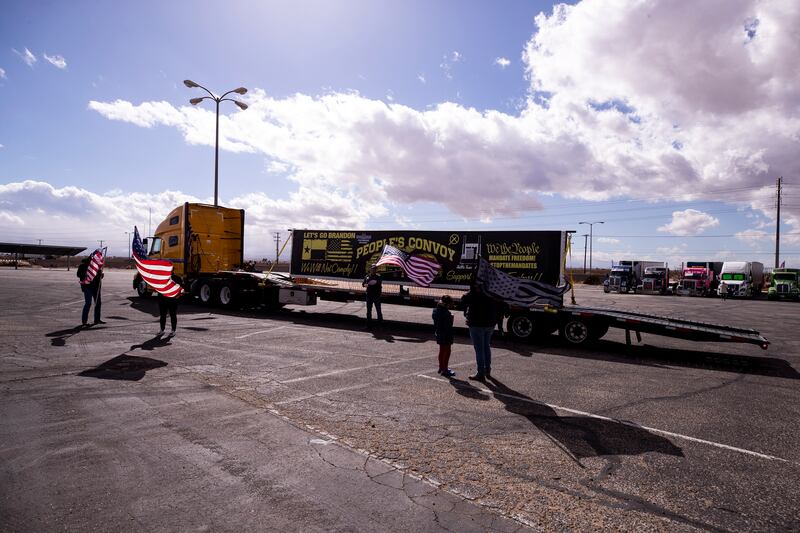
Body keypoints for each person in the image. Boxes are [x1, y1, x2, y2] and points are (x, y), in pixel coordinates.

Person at [461, 282, 497, 381]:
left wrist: (472, 289)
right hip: (490, 322)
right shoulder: (490, 290)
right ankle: (487, 369)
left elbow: (463, 299)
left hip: (476, 323)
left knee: (479, 349)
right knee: (486, 346)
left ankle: (481, 373)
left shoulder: (473, 293)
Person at [432, 295, 455, 377]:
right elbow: (448, 325)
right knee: (447, 350)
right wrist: (452, 318)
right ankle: (445, 369)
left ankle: (441, 367)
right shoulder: (447, 313)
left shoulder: (435, 310)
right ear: (447, 304)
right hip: (446, 333)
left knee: (441, 350)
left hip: (439, 332)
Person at [77, 256, 104, 327]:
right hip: (87, 287)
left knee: (98, 303)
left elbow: (99, 276)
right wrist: (87, 274)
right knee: (88, 303)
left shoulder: (97, 266)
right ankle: (84, 321)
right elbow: (78, 274)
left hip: (96, 287)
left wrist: (101, 275)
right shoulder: (83, 266)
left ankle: (97, 319)